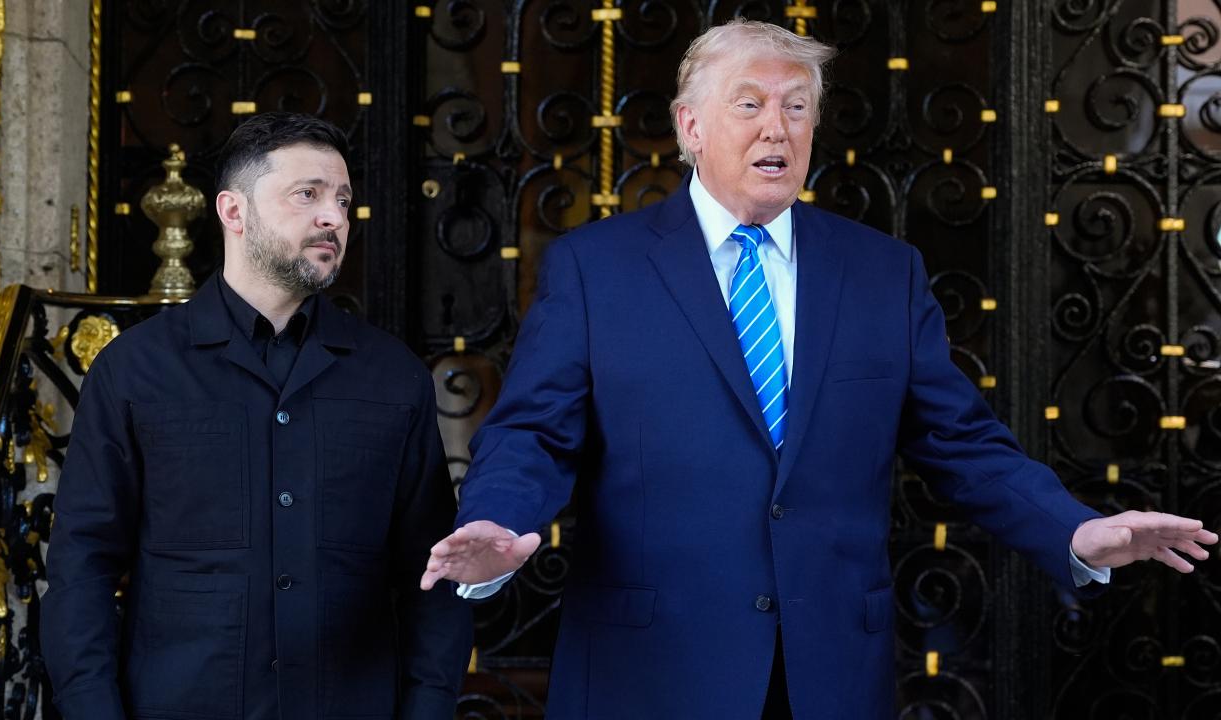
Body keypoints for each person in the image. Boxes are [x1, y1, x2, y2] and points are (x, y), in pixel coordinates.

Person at [418, 20, 1217, 719]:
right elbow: (533, 433)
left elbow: (962, 442)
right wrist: (495, 521)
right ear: (691, 126)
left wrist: (1072, 529)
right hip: (651, 668)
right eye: (750, 104)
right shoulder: (598, 268)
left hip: (829, 671)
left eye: (797, 107)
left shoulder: (882, 272)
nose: (778, 126)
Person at [42, 112, 472, 719]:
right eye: (307, 194)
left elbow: (432, 574)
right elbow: (81, 565)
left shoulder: (394, 376)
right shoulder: (134, 370)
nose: (334, 217)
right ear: (233, 211)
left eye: (343, 200)